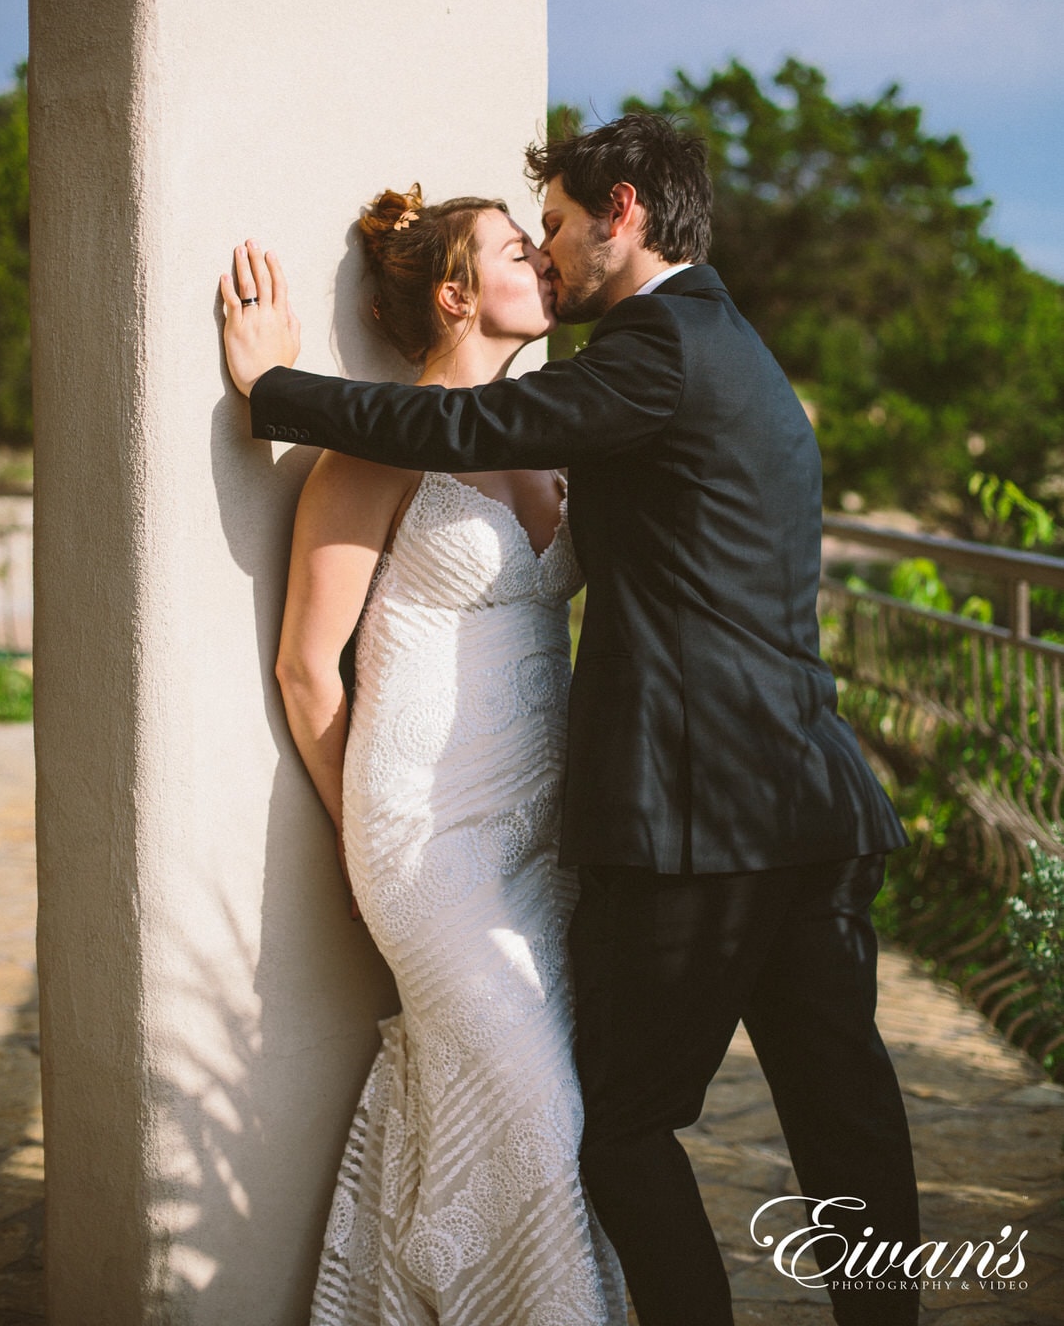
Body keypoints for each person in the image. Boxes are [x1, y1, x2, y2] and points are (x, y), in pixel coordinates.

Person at [221, 113, 921, 1326]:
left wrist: (273, 390)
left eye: (553, 228)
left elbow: (466, 428)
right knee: (841, 1114)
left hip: (700, 817)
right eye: (522, 241)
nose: (546, 256)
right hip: (805, 798)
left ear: (624, 213)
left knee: (621, 1122)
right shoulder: (729, 346)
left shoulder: (654, 351)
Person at [264, 187, 626, 1325]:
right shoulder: (371, 453)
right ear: (458, 294)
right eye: (521, 248)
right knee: (532, 1111)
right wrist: (363, 838)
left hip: (541, 847)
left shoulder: (552, 440)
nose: (547, 261)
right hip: (424, 848)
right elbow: (306, 669)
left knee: (513, 1106)